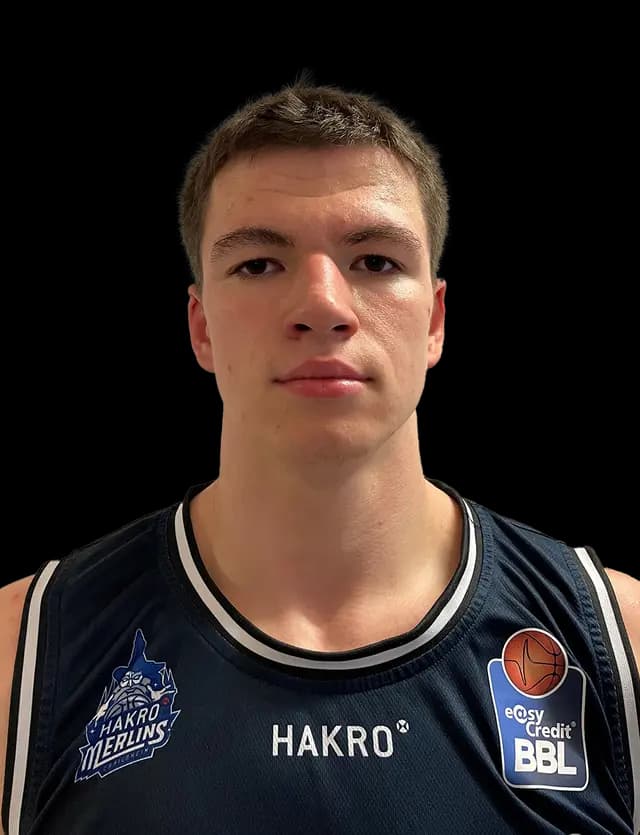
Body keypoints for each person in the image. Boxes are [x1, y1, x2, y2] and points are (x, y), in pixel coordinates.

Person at [1, 79, 638, 835]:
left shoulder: (620, 642)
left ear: (434, 321)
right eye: (259, 265)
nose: (323, 305)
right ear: (201, 327)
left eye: (374, 261)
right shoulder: (23, 653)